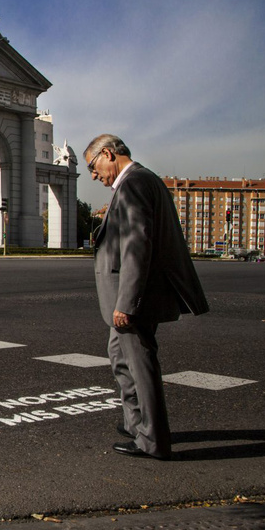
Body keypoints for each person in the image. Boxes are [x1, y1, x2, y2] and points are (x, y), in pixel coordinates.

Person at [83, 134, 209, 460]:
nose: (94, 176)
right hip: (133, 297)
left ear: (108, 154)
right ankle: (135, 423)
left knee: (140, 365)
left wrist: (126, 303)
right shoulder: (144, 180)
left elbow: (137, 246)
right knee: (119, 357)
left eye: (93, 167)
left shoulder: (133, 184)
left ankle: (152, 441)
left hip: (133, 300)